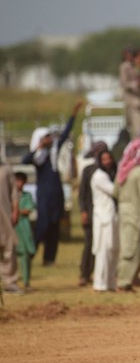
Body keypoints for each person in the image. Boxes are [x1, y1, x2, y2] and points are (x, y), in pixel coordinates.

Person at [23, 102, 81, 266]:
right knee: (43, 226)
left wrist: (73, 115)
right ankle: (31, 253)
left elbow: (64, 135)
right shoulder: (38, 156)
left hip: (56, 194)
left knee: (55, 227)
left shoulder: (53, 152)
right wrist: (39, 147)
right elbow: (25, 160)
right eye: (46, 137)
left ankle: (49, 259)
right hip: (45, 196)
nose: (50, 140)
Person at [115, 138, 140, 293]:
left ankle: (128, 279)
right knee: (132, 248)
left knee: (127, 246)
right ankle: (123, 282)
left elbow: (114, 192)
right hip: (136, 214)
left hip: (123, 212)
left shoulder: (123, 168)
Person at [77, 141, 108, 287]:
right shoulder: (88, 170)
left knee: (105, 244)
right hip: (90, 213)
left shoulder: (109, 169)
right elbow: (82, 192)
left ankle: (101, 274)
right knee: (90, 244)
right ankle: (84, 273)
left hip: (106, 213)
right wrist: (83, 211)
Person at [90, 150, 118, 292]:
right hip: (103, 218)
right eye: (104, 159)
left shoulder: (110, 174)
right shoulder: (99, 176)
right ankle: (100, 284)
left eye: (109, 159)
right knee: (103, 251)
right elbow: (115, 191)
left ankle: (111, 283)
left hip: (112, 217)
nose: (107, 162)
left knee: (113, 250)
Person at [0, 163, 20, 295]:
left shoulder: (6, 169)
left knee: (8, 247)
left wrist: (15, 210)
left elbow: (14, 192)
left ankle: (10, 282)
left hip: (4, 215)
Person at [12, 172, 35, 290]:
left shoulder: (27, 196)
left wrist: (15, 212)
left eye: (20, 181)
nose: (18, 184)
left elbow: (29, 209)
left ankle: (26, 281)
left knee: (26, 254)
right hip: (11, 227)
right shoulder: (8, 195)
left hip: (23, 227)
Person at [119, 49, 140, 137]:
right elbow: (124, 83)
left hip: (138, 99)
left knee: (138, 126)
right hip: (131, 100)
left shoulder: (135, 65)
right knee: (136, 127)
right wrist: (135, 84)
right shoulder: (125, 66)